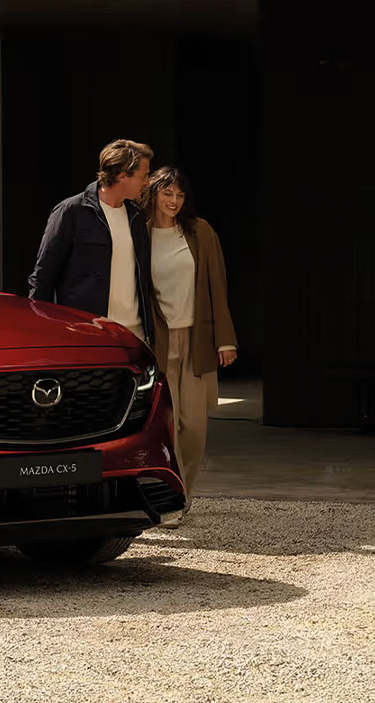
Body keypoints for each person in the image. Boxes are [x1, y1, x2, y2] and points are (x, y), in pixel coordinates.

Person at [142, 166, 237, 520]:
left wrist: (225, 340)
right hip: (161, 342)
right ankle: (172, 502)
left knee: (194, 427)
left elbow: (217, 287)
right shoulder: (142, 234)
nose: (174, 201)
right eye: (167, 193)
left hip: (198, 339)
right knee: (167, 425)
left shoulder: (200, 232)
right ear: (153, 194)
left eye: (180, 195)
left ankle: (186, 494)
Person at [29, 139, 155, 344]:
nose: (148, 181)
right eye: (144, 175)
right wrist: (42, 332)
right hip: (87, 334)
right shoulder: (71, 212)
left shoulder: (136, 216)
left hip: (135, 335)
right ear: (123, 175)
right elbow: (42, 277)